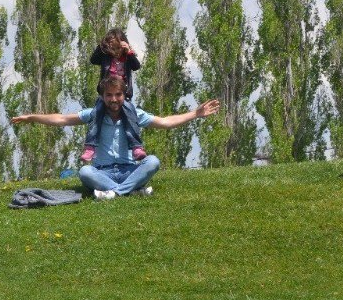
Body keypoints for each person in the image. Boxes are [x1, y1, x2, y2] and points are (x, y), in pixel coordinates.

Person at [11, 76, 219, 199]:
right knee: (85, 171)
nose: (113, 99)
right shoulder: (94, 114)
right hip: (104, 173)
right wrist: (32, 117)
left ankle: (115, 193)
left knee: (153, 162)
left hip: (130, 169)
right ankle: (130, 191)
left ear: (124, 96)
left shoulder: (135, 114)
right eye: (109, 95)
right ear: (103, 97)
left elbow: (165, 122)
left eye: (118, 95)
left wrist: (195, 114)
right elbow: (62, 119)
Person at [82, 28, 145, 163]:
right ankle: (90, 147)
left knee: (130, 114)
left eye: (117, 43)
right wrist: (102, 46)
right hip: (106, 94)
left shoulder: (127, 57)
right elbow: (93, 60)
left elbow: (136, 66)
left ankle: (136, 147)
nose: (114, 47)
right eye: (111, 43)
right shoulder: (105, 56)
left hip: (123, 95)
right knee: (96, 113)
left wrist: (130, 52)